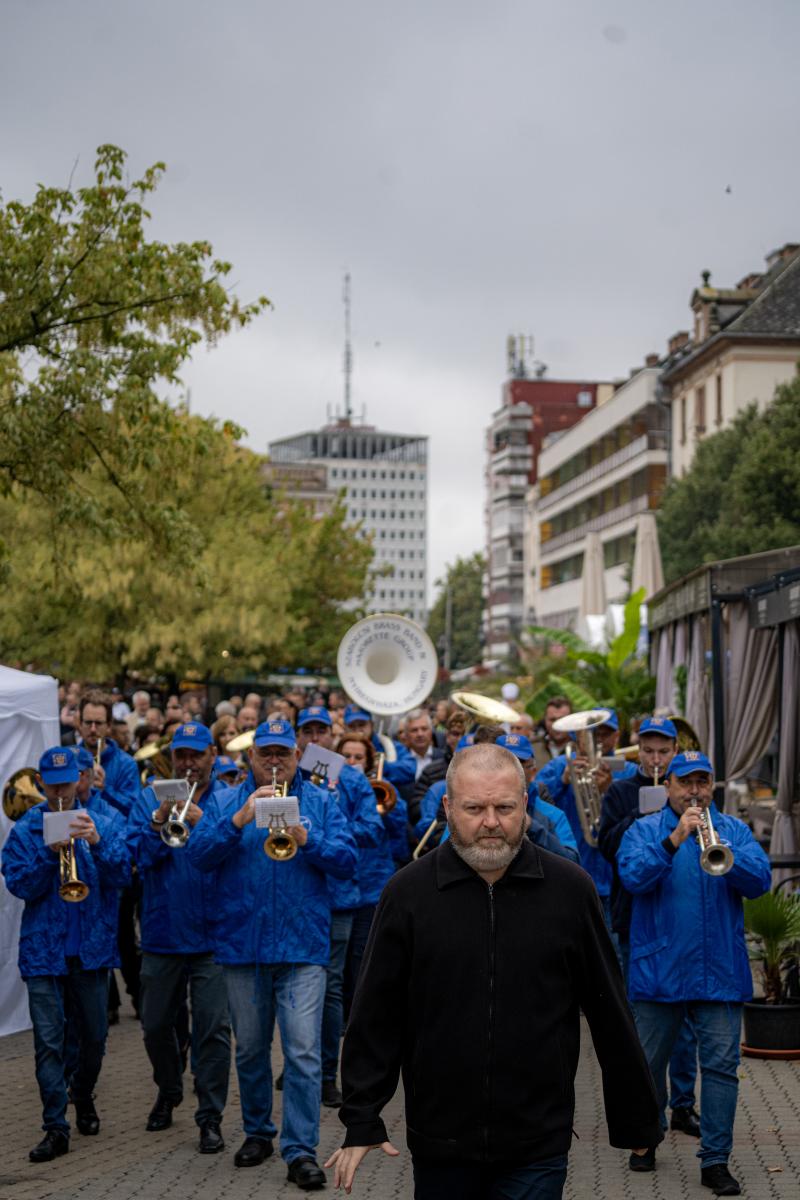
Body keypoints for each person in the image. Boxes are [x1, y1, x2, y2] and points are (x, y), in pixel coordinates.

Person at [326, 742, 661, 1198]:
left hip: (538, 1140)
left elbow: (609, 1011)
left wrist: (635, 1117)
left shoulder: (569, 890)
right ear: (447, 807)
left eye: (504, 807)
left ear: (525, 805)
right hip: (440, 1139)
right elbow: (376, 1013)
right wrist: (362, 1117)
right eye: (474, 808)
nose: (490, 822)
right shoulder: (408, 893)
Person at [187, 718, 357, 1189]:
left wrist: (309, 839)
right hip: (243, 948)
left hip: (303, 947)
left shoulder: (321, 802)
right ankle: (258, 1132)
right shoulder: (224, 799)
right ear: (251, 758)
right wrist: (238, 819)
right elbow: (198, 856)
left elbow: (348, 862)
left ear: (298, 756)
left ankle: (300, 1149)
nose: (275, 762)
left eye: (284, 753)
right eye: (267, 754)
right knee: (252, 1052)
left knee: (302, 1052)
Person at [617, 752, 771, 1196]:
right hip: (659, 968)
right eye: (686, 783)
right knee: (649, 1065)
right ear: (668, 786)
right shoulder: (644, 829)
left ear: (713, 786)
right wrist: (674, 838)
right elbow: (633, 877)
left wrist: (720, 847)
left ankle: (715, 1159)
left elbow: (759, 881)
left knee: (721, 1068)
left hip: (719, 969)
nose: (695, 791)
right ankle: (646, 1137)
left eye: (702, 783)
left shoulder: (733, 831)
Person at [1, 747, 131, 1162]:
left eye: (66, 782)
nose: (60, 791)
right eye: (51, 784)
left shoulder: (105, 822)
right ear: (42, 783)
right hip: (44, 952)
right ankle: (55, 1126)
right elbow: (19, 884)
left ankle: (83, 1095)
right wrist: (48, 851)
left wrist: (96, 842)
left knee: (93, 1038)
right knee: (49, 1043)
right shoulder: (26, 829)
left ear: (81, 780)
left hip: (91, 950)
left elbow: (123, 875)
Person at [126, 722, 232, 1153]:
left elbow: (230, 853)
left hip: (213, 936)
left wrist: (203, 823)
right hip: (162, 931)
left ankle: (210, 1116)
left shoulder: (226, 799)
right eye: (181, 755)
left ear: (212, 755)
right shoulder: (149, 798)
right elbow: (136, 859)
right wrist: (156, 823)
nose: (188, 763)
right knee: (154, 1027)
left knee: (214, 1031)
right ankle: (169, 1089)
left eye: (196, 755)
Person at [597, 716, 700, 1136]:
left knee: (687, 1026)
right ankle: (647, 1111)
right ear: (638, 751)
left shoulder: (686, 792)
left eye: (663, 751)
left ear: (674, 751)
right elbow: (605, 846)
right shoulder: (621, 790)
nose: (655, 759)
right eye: (649, 751)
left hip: (682, 920)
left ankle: (683, 1104)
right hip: (634, 918)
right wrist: (647, 815)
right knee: (647, 1022)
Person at [295, 707, 383, 1108]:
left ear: (331, 735)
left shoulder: (349, 778)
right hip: (294, 895)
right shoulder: (285, 779)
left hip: (338, 897)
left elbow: (372, 830)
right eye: (306, 730)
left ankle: (327, 1073)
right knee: (291, 982)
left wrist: (330, 820)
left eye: (320, 730)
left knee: (330, 987)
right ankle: (301, 1062)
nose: (314, 737)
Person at [534, 711, 635, 938]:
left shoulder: (626, 770)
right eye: (591, 734)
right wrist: (562, 780)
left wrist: (610, 790)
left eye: (604, 733)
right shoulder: (560, 765)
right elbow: (533, 798)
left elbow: (635, 817)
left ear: (616, 737)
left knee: (612, 950)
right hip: (573, 869)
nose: (597, 739)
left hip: (612, 875)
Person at [530, 696, 572, 773]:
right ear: (545, 721)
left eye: (562, 719)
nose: (557, 724)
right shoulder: (532, 748)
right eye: (552, 720)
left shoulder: (581, 748)